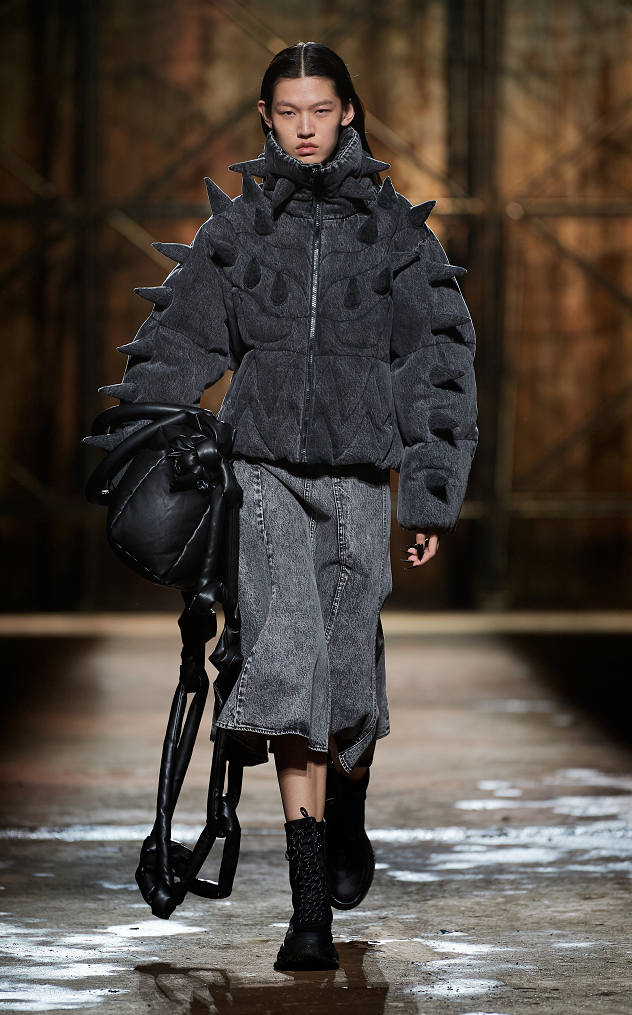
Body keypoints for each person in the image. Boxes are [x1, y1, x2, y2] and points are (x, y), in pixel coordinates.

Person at [89, 43, 477, 971]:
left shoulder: (397, 238)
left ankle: (348, 806)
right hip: (261, 473)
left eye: (321, 110)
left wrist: (427, 495)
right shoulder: (236, 234)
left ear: (349, 112)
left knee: (347, 684)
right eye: (288, 111)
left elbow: (436, 365)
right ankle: (309, 914)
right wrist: (149, 454)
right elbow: (175, 346)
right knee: (291, 666)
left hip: (359, 481)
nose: (305, 127)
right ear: (266, 117)